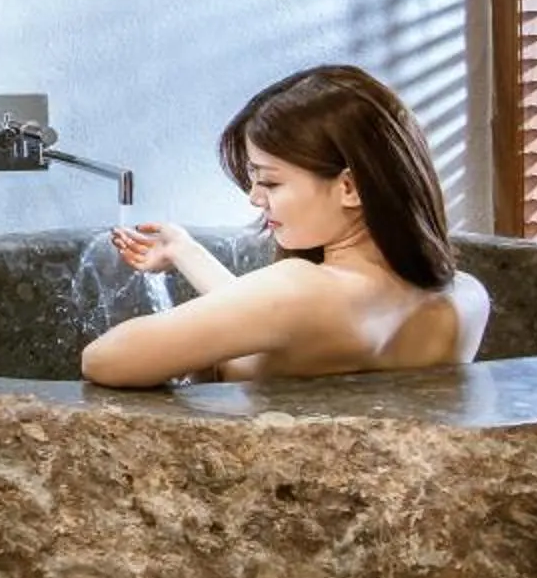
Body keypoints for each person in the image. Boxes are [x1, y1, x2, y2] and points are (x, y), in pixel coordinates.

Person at [80, 64, 490, 388]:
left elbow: (106, 359)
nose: (255, 198)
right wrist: (184, 251)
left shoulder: (300, 288)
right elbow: (283, 319)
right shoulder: (465, 298)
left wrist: (200, 358)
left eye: (270, 182)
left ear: (350, 187)